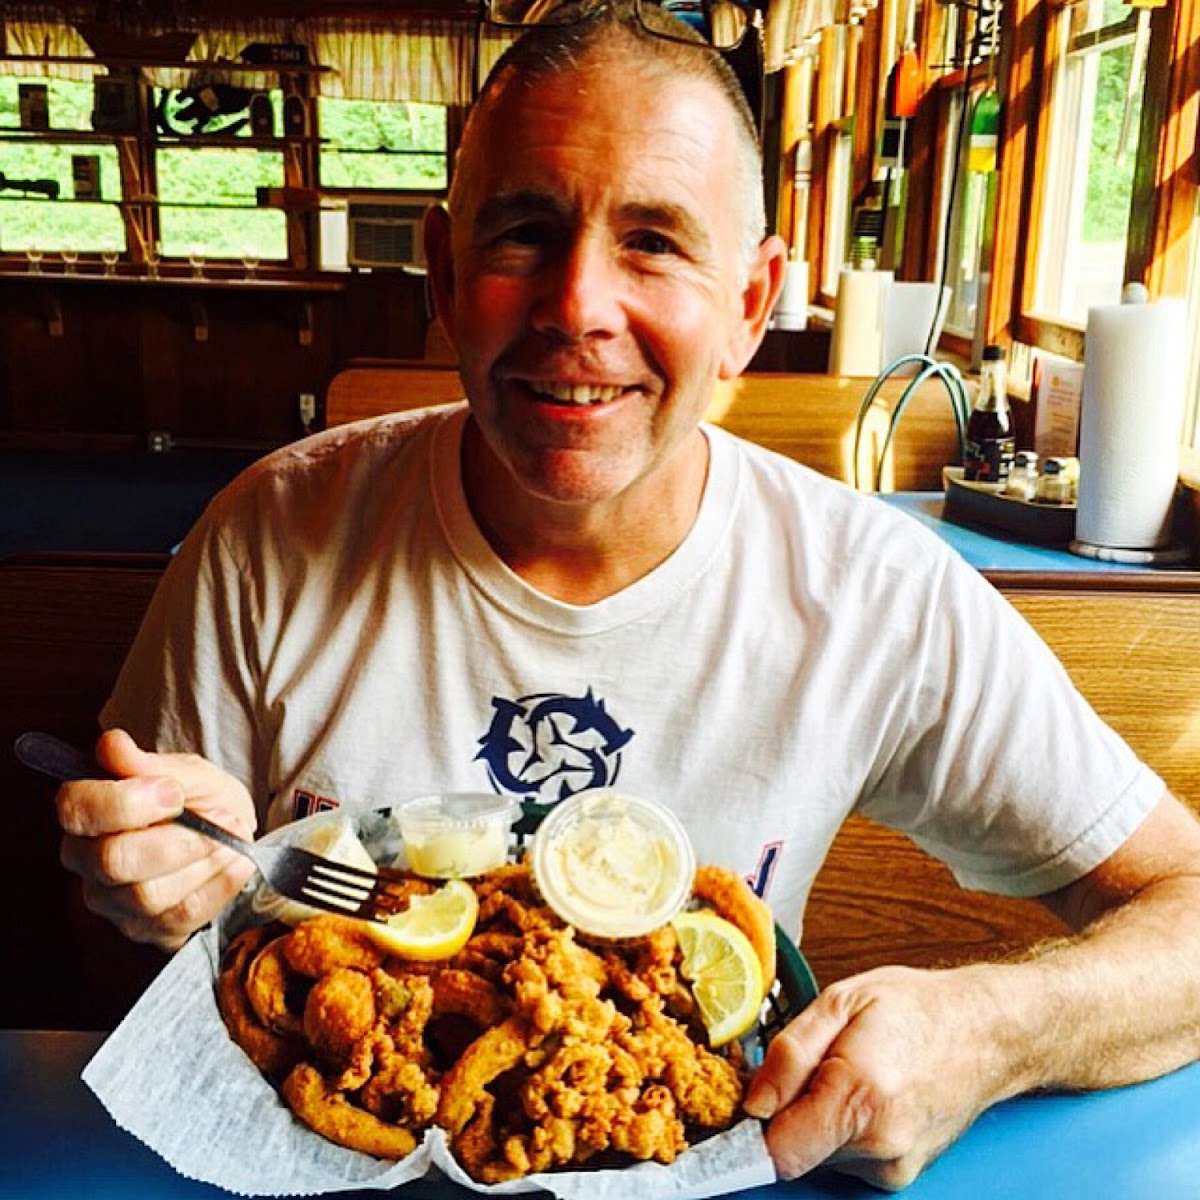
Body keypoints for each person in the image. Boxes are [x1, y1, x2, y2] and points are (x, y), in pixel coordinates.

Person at [54, 1, 1200, 1189]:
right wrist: (150, 899)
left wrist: (990, 1034)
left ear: (750, 307)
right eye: (522, 235)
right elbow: (114, 982)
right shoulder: (270, 534)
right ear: (444, 276)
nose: (577, 308)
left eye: (653, 240)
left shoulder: (876, 596)